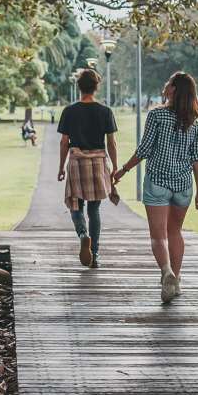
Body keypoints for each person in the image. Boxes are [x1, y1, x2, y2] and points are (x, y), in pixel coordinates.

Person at [113, 71, 198, 303]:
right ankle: (177, 281)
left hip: (158, 183)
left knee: (158, 236)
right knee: (175, 232)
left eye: (168, 83)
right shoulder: (194, 122)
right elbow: (196, 159)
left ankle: (166, 272)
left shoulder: (157, 115)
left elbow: (144, 150)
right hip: (183, 184)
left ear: (173, 89)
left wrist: (123, 170)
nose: (165, 85)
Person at [57, 69, 120, 269]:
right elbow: (112, 143)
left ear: (79, 86)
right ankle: (95, 254)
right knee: (94, 209)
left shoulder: (69, 111)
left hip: (77, 161)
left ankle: (83, 235)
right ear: (96, 87)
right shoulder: (105, 111)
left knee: (75, 205)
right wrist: (115, 168)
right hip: (98, 162)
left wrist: (61, 167)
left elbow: (64, 142)